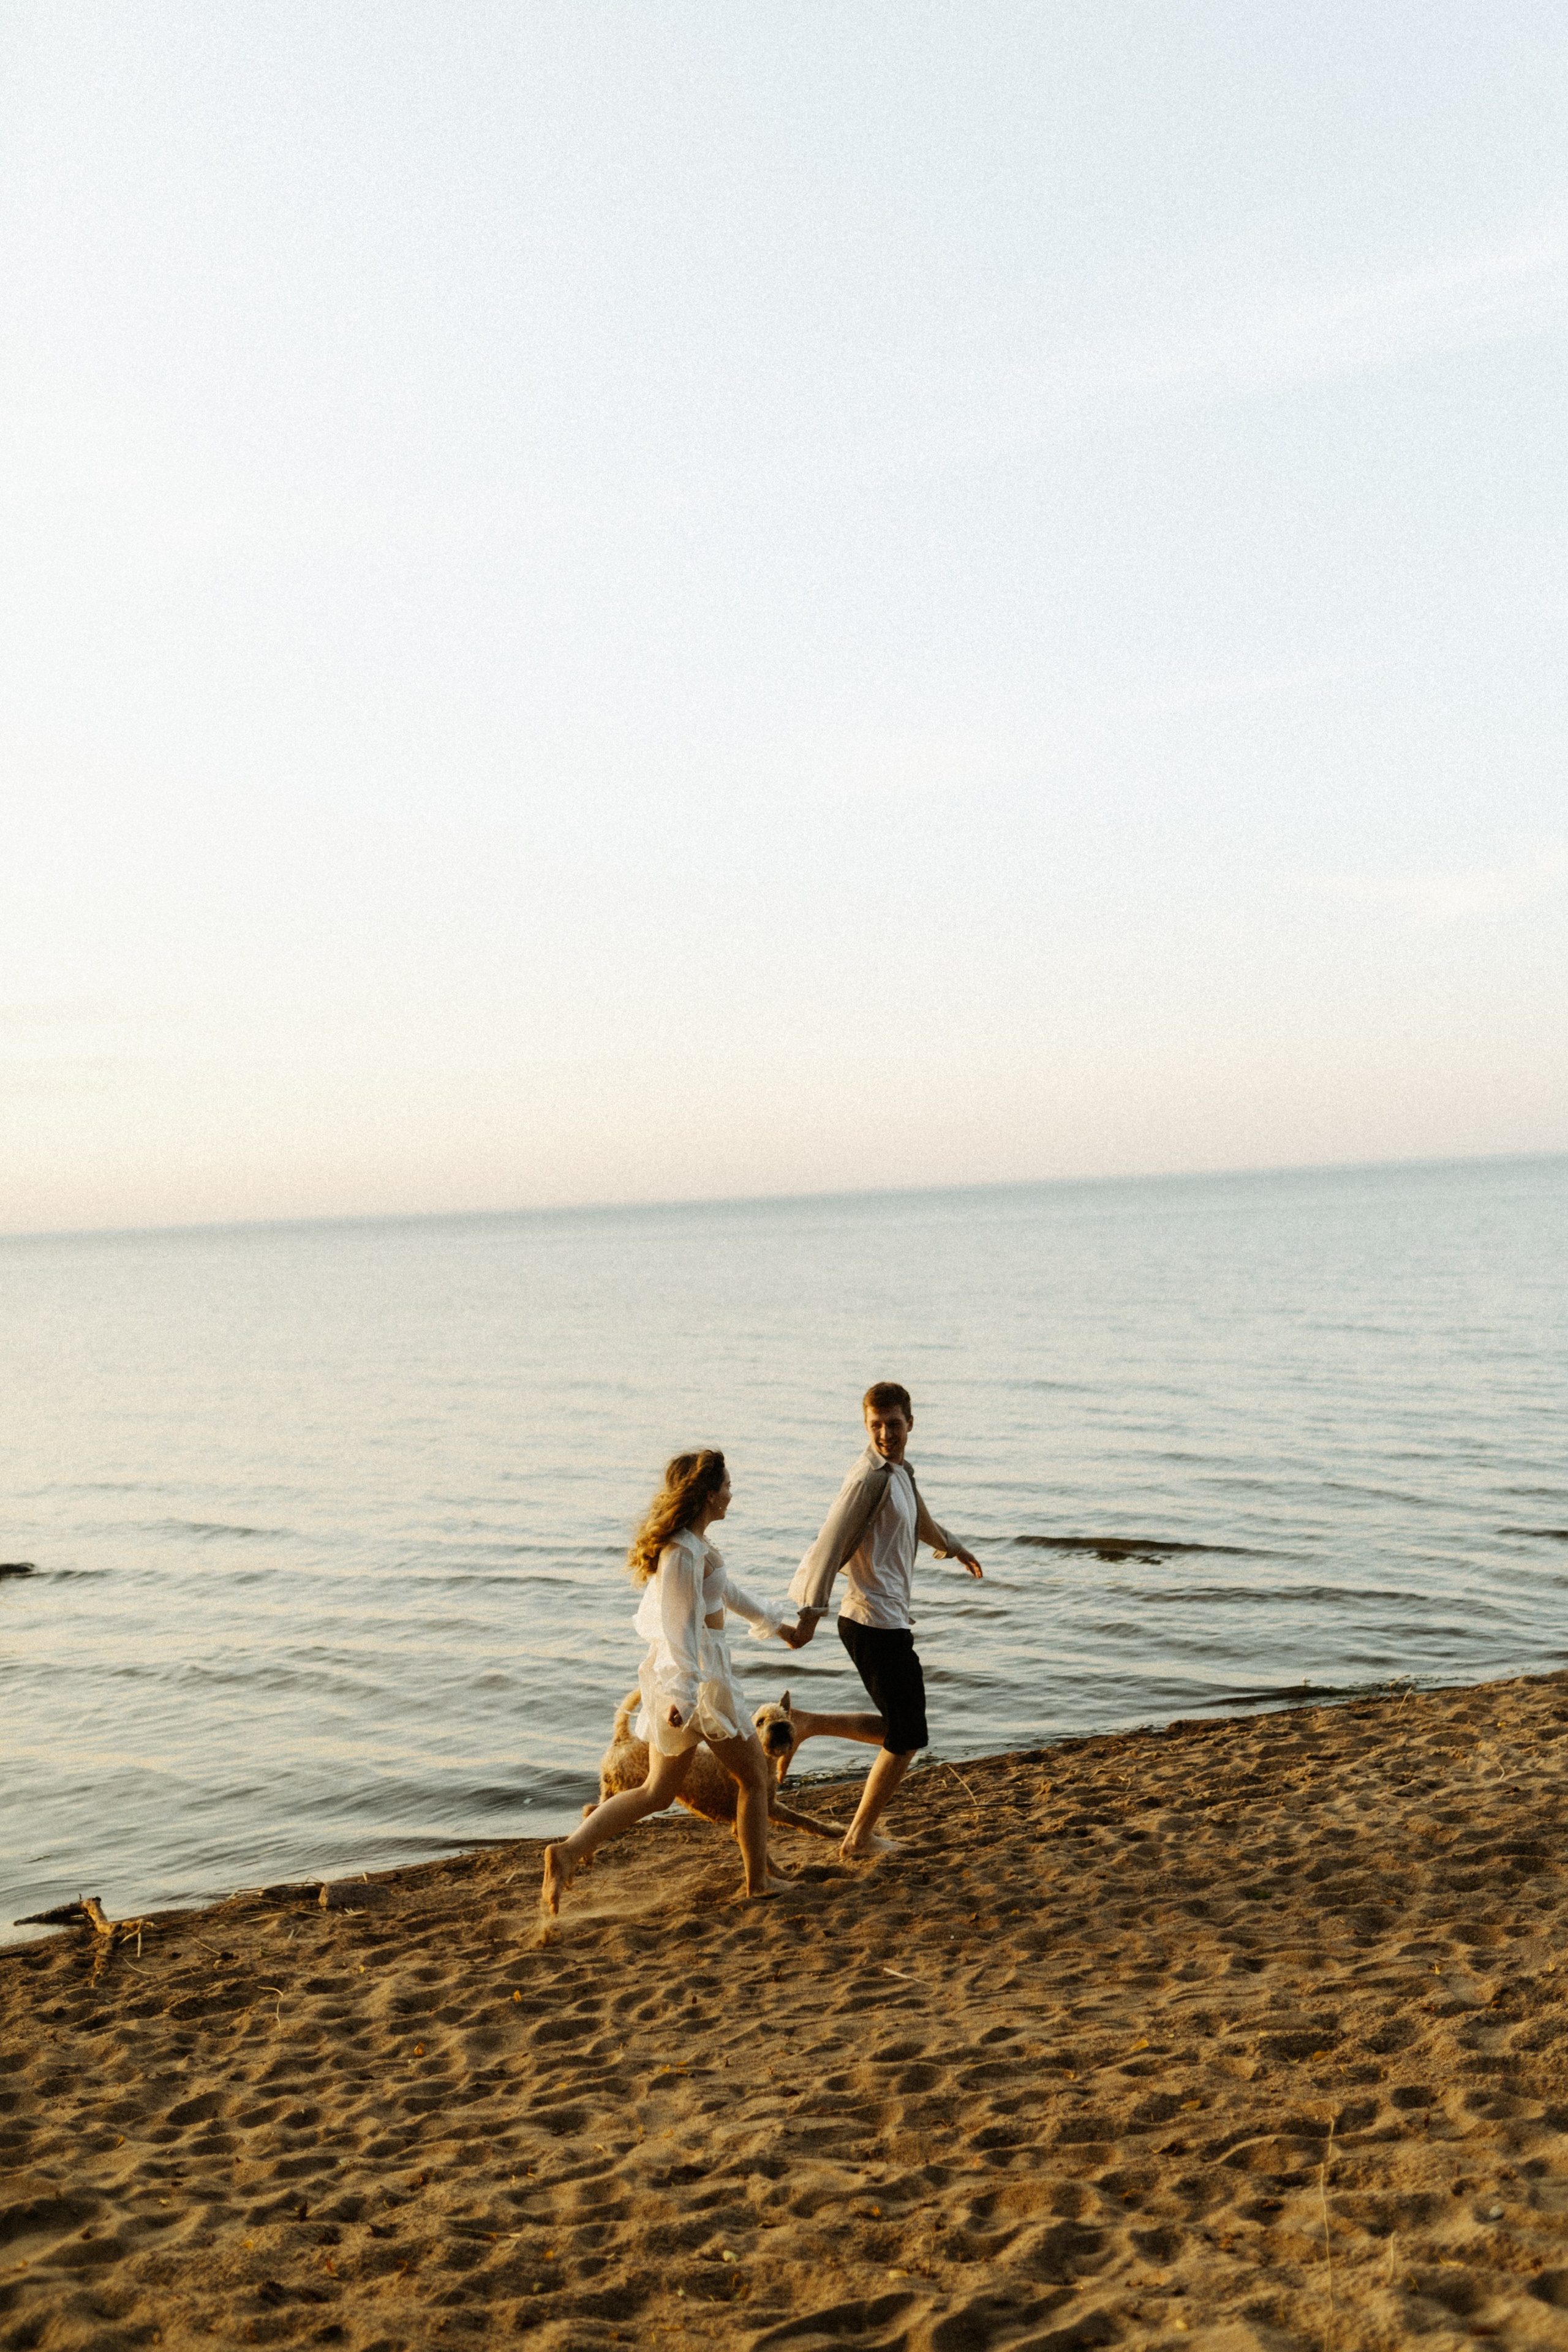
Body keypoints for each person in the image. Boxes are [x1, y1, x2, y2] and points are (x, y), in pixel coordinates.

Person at [542, 1450, 804, 1913]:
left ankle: (566, 1852)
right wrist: (683, 1695)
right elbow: (679, 1626)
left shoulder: (695, 1545)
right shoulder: (682, 1553)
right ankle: (758, 1882)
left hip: (691, 1684)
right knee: (755, 1780)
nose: (731, 1493)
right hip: (701, 1685)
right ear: (708, 1494)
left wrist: (775, 1624)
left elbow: (726, 1592)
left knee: (657, 1794)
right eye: (726, 1485)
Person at [786, 1382, 982, 1858]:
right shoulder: (867, 1479)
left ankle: (806, 1723)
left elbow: (922, 1523)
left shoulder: (899, 1473)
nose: (886, 1434)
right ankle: (857, 1840)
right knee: (909, 1734)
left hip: (889, 1620)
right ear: (866, 1425)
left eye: (893, 1424)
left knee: (903, 1727)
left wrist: (954, 1548)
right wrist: (810, 1614)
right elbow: (829, 1546)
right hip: (870, 1622)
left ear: (910, 1423)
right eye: (876, 1425)